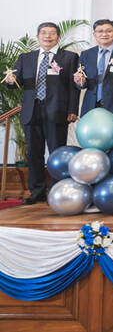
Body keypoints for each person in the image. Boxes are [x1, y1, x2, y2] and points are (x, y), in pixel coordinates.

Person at [4, 22, 79, 204]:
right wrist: (10, 80)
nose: (48, 36)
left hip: (57, 110)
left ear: (58, 37)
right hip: (32, 110)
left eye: (52, 33)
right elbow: (16, 81)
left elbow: (74, 86)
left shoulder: (69, 57)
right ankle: (36, 191)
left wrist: (72, 110)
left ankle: (56, 190)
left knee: (56, 152)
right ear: (37, 37)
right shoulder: (26, 57)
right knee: (33, 153)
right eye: (43, 33)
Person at [73, 19, 113, 142]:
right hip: (91, 106)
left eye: (108, 31)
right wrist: (80, 81)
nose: (104, 34)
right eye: (100, 31)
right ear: (94, 34)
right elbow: (82, 83)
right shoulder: (86, 54)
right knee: (92, 141)